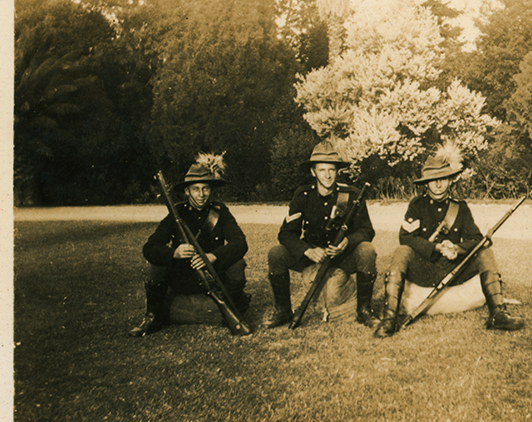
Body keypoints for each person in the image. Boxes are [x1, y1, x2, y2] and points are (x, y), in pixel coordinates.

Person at [374, 143, 525, 338]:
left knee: (485, 251)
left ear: (450, 181)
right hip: (424, 269)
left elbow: (477, 239)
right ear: (425, 183)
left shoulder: (460, 207)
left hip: (453, 268)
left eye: (443, 179)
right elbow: (405, 237)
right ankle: (389, 320)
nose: (438, 184)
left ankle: (498, 314)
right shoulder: (417, 205)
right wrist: (435, 247)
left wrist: (458, 249)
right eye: (433, 180)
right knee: (401, 251)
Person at [130, 153, 250, 337]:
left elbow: (240, 243)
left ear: (211, 190)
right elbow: (150, 248)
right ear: (187, 191)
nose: (201, 195)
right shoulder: (176, 213)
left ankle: (228, 312)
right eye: (195, 189)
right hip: (184, 278)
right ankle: (152, 318)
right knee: (158, 262)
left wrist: (213, 256)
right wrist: (174, 253)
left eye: (206, 189)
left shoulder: (220, 211)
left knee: (237, 264)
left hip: (213, 276)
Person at [263, 140, 378, 328]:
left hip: (342, 256)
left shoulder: (351, 195)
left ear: (337, 171)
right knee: (276, 253)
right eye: (322, 170)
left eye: (331, 170)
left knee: (367, 250)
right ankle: (283, 311)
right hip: (312, 256)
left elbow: (367, 230)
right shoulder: (302, 196)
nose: (327, 175)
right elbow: (286, 234)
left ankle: (364, 310)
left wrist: (347, 242)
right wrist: (307, 250)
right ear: (313, 172)